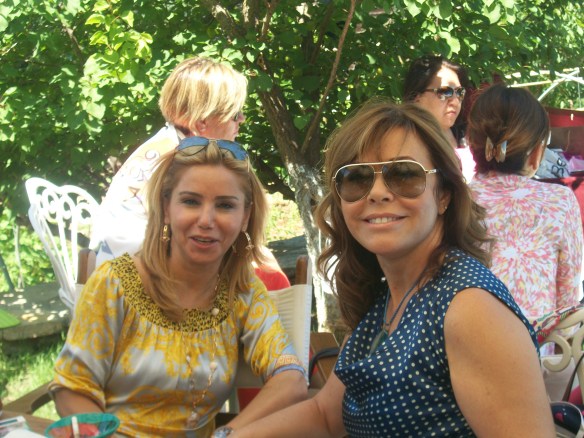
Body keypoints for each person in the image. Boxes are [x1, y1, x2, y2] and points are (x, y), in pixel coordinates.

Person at [231, 100, 554, 437]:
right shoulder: (389, 296)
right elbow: (325, 414)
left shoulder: (470, 309)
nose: (378, 192)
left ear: (444, 194)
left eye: (403, 174)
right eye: (357, 178)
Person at [49, 138, 308, 436]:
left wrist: (225, 434)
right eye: (191, 201)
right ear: (166, 207)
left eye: (225, 205)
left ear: (245, 217)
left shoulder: (242, 293)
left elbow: (291, 378)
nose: (206, 220)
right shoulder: (114, 283)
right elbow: (72, 387)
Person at [93, 56, 289, 290]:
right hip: (140, 291)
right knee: (267, 280)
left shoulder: (162, 147)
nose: (241, 120)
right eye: (235, 113)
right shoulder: (180, 165)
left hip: (115, 278)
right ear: (202, 122)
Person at [468, 83, 583, 326]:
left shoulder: (452, 200)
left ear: (471, 144)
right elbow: (568, 304)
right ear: (537, 152)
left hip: (462, 345)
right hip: (536, 347)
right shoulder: (560, 202)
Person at [403, 54, 476, 182]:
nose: (455, 101)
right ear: (416, 98)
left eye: (460, 92)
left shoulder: (472, 137)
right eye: (445, 92)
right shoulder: (401, 142)